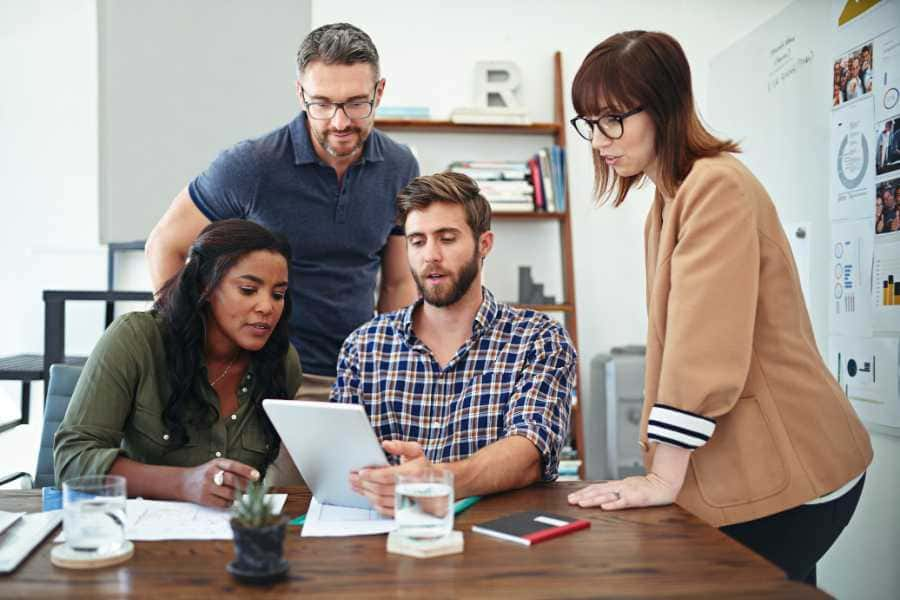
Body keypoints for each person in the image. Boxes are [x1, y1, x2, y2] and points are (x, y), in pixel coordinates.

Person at [566, 31, 872, 586]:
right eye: (589, 122)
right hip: (755, 463)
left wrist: (662, 480)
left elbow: (701, 347)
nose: (599, 140)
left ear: (663, 107)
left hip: (793, 460)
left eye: (613, 119)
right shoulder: (669, 199)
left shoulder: (715, 187)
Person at [145, 23, 419, 406]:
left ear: (380, 91)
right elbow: (165, 245)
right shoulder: (252, 166)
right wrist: (191, 345)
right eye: (322, 104)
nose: (339, 122)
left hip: (358, 377)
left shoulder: (400, 167)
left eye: (356, 103)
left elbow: (396, 283)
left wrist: (390, 364)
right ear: (300, 94)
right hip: (264, 377)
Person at [331, 172, 577, 516]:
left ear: (484, 244)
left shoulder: (539, 339)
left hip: (497, 542)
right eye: (417, 241)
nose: (431, 255)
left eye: (447, 239)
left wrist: (437, 480)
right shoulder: (363, 347)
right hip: (384, 541)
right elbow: (341, 463)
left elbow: (529, 454)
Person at [54, 220, 302, 507]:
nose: (267, 307)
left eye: (278, 294)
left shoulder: (282, 362)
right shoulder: (136, 340)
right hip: (139, 533)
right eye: (248, 289)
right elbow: (72, 458)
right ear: (203, 286)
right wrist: (183, 483)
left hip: (238, 536)